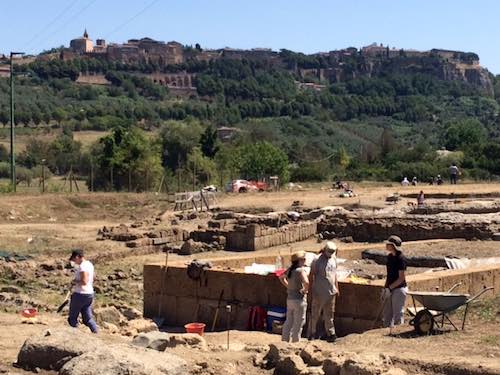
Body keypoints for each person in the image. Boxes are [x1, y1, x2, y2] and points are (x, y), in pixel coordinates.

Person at [309, 242, 339, 342]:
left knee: (329, 314)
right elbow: (312, 275)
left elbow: (334, 275)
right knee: (315, 314)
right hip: (319, 292)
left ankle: (330, 333)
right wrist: (311, 290)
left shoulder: (333, 259)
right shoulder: (317, 260)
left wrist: (337, 288)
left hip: (331, 292)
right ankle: (312, 333)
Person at [279, 251, 309, 343]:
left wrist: (288, 286)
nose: (305, 261)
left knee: (288, 322)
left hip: (290, 299)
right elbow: (306, 282)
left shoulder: (290, 270)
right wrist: (305, 290)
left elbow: (281, 277)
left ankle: (284, 342)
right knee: (298, 323)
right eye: (303, 259)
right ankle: (296, 343)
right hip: (299, 300)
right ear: (299, 261)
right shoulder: (300, 270)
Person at [68, 249, 98, 333]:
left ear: (78, 257)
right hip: (89, 294)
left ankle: (75, 335)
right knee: (87, 319)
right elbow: (93, 278)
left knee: (72, 318)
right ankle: (96, 333)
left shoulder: (82, 266)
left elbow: (84, 281)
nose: (74, 261)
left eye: (74, 259)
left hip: (80, 294)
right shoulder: (89, 264)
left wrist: (74, 282)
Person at [382, 236, 408, 329]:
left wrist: (390, 288)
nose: (386, 245)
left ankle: (397, 334)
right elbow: (389, 275)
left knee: (398, 314)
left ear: (393, 246)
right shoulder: (389, 257)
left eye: (388, 244)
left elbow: (401, 278)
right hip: (390, 288)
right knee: (387, 314)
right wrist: (385, 288)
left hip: (398, 290)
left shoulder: (401, 258)